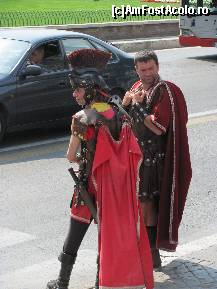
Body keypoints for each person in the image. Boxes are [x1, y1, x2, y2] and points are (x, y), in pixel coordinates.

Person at [46, 49, 154, 289]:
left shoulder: (81, 118)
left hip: (87, 189)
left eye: (78, 89)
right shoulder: (121, 114)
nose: (74, 94)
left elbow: (70, 156)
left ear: (91, 88)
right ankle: (100, 282)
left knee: (74, 236)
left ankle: (62, 282)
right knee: (108, 237)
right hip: (113, 191)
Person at [122, 50, 192, 268]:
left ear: (158, 67)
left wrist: (138, 107)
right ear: (136, 69)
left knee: (147, 206)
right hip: (136, 158)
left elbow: (159, 128)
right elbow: (124, 121)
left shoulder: (165, 91)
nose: (147, 73)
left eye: (151, 68)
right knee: (137, 205)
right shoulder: (135, 88)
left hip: (154, 160)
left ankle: (151, 256)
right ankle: (144, 254)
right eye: (143, 70)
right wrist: (126, 104)